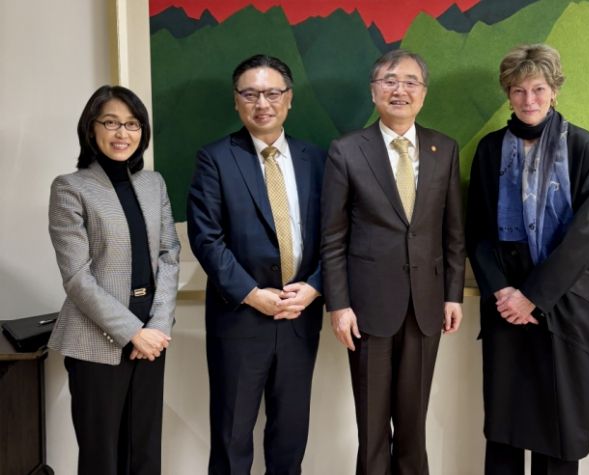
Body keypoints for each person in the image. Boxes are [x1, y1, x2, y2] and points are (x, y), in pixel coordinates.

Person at [466, 43, 589, 475]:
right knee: (506, 428)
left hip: (565, 302)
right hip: (505, 306)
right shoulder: (490, 149)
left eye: (538, 89)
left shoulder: (582, 146)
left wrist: (533, 295)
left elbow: (587, 231)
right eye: (518, 90)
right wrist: (503, 292)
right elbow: (477, 232)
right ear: (508, 94)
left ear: (554, 91)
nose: (529, 99)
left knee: (560, 427)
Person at [321, 49, 466, 474]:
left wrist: (453, 294)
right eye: (389, 81)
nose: (399, 90)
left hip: (426, 306)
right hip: (367, 309)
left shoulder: (444, 148)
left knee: (413, 427)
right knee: (371, 428)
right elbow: (333, 236)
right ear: (374, 91)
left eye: (410, 82)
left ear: (423, 93)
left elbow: (454, 232)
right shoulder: (347, 151)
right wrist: (338, 305)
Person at [187, 54, 326, 474]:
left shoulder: (317, 158)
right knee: (232, 438)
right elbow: (206, 238)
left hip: (300, 315)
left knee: (290, 438)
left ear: (289, 98)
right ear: (236, 101)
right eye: (250, 94)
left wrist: (315, 286)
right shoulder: (215, 158)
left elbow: (336, 235)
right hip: (240, 319)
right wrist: (251, 294)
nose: (262, 103)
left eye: (272, 93)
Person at [48, 85, 180, 475]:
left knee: (145, 453)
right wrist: (132, 332)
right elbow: (76, 276)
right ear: (92, 128)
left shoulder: (153, 183)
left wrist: (157, 326)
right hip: (96, 340)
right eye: (111, 122)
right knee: (101, 458)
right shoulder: (70, 188)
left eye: (132, 124)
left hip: (152, 339)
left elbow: (169, 255)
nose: (122, 133)